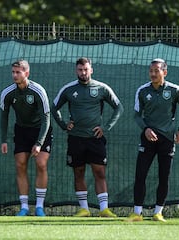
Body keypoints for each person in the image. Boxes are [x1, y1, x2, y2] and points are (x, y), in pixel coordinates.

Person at [51, 57, 123, 217]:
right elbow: (53, 107)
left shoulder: (102, 88)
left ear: (91, 70)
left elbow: (118, 107)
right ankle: (84, 209)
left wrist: (106, 127)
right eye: (80, 70)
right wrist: (64, 124)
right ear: (76, 71)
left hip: (95, 138)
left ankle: (104, 209)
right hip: (76, 138)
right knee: (79, 172)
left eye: (85, 69)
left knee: (100, 172)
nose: (83, 73)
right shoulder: (69, 89)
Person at [128, 58, 179, 222]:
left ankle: (158, 212)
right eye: (151, 71)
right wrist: (146, 129)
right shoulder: (142, 91)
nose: (153, 74)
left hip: (167, 140)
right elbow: (136, 115)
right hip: (147, 138)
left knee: (164, 176)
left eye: (157, 71)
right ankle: (137, 213)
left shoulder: (174, 90)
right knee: (140, 174)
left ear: (165, 72)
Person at [0, 59, 52, 217]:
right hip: (22, 130)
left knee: (41, 164)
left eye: (18, 72)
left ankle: (39, 207)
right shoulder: (7, 93)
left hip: (41, 130)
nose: (15, 75)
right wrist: (3, 140)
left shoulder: (38, 91)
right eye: (13, 72)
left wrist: (39, 143)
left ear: (26, 73)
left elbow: (46, 118)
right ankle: (24, 207)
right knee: (20, 165)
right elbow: (4, 117)